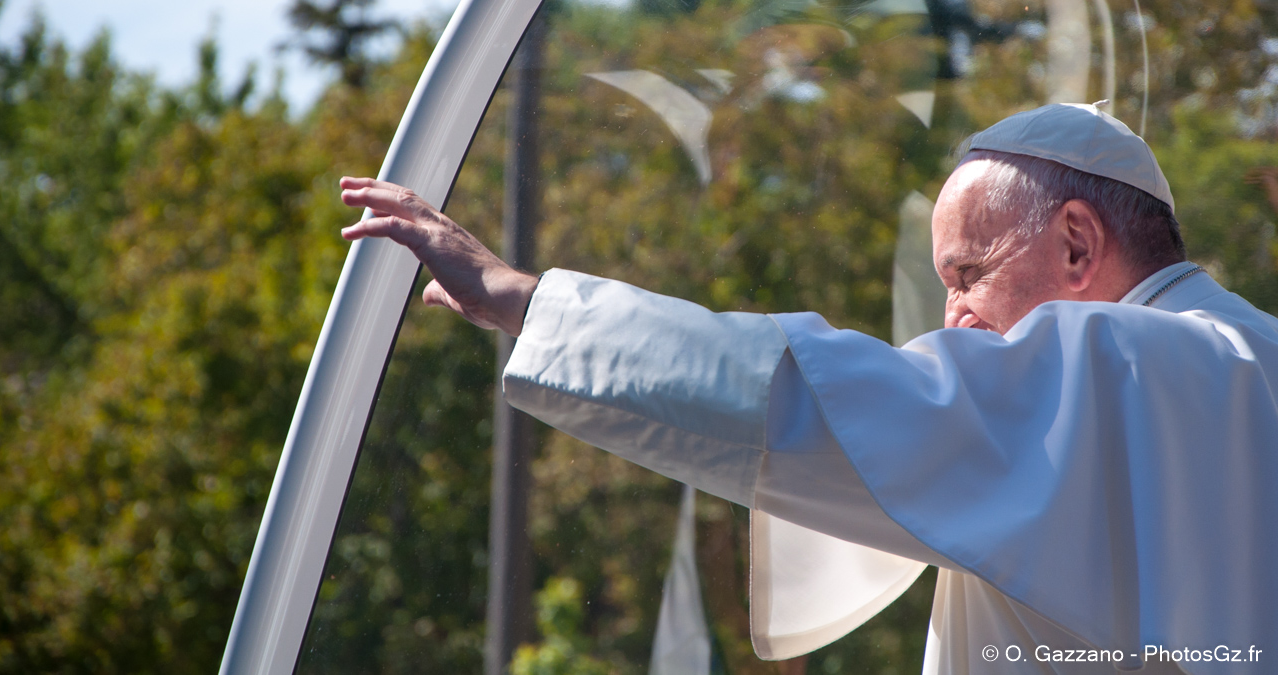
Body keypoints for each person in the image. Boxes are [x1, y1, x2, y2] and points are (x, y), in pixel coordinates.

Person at [338, 103, 1278, 674]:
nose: (951, 318)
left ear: (1077, 244)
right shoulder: (1248, 356)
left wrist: (531, 302)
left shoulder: (1111, 366)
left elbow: (809, 399)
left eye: (968, 272)